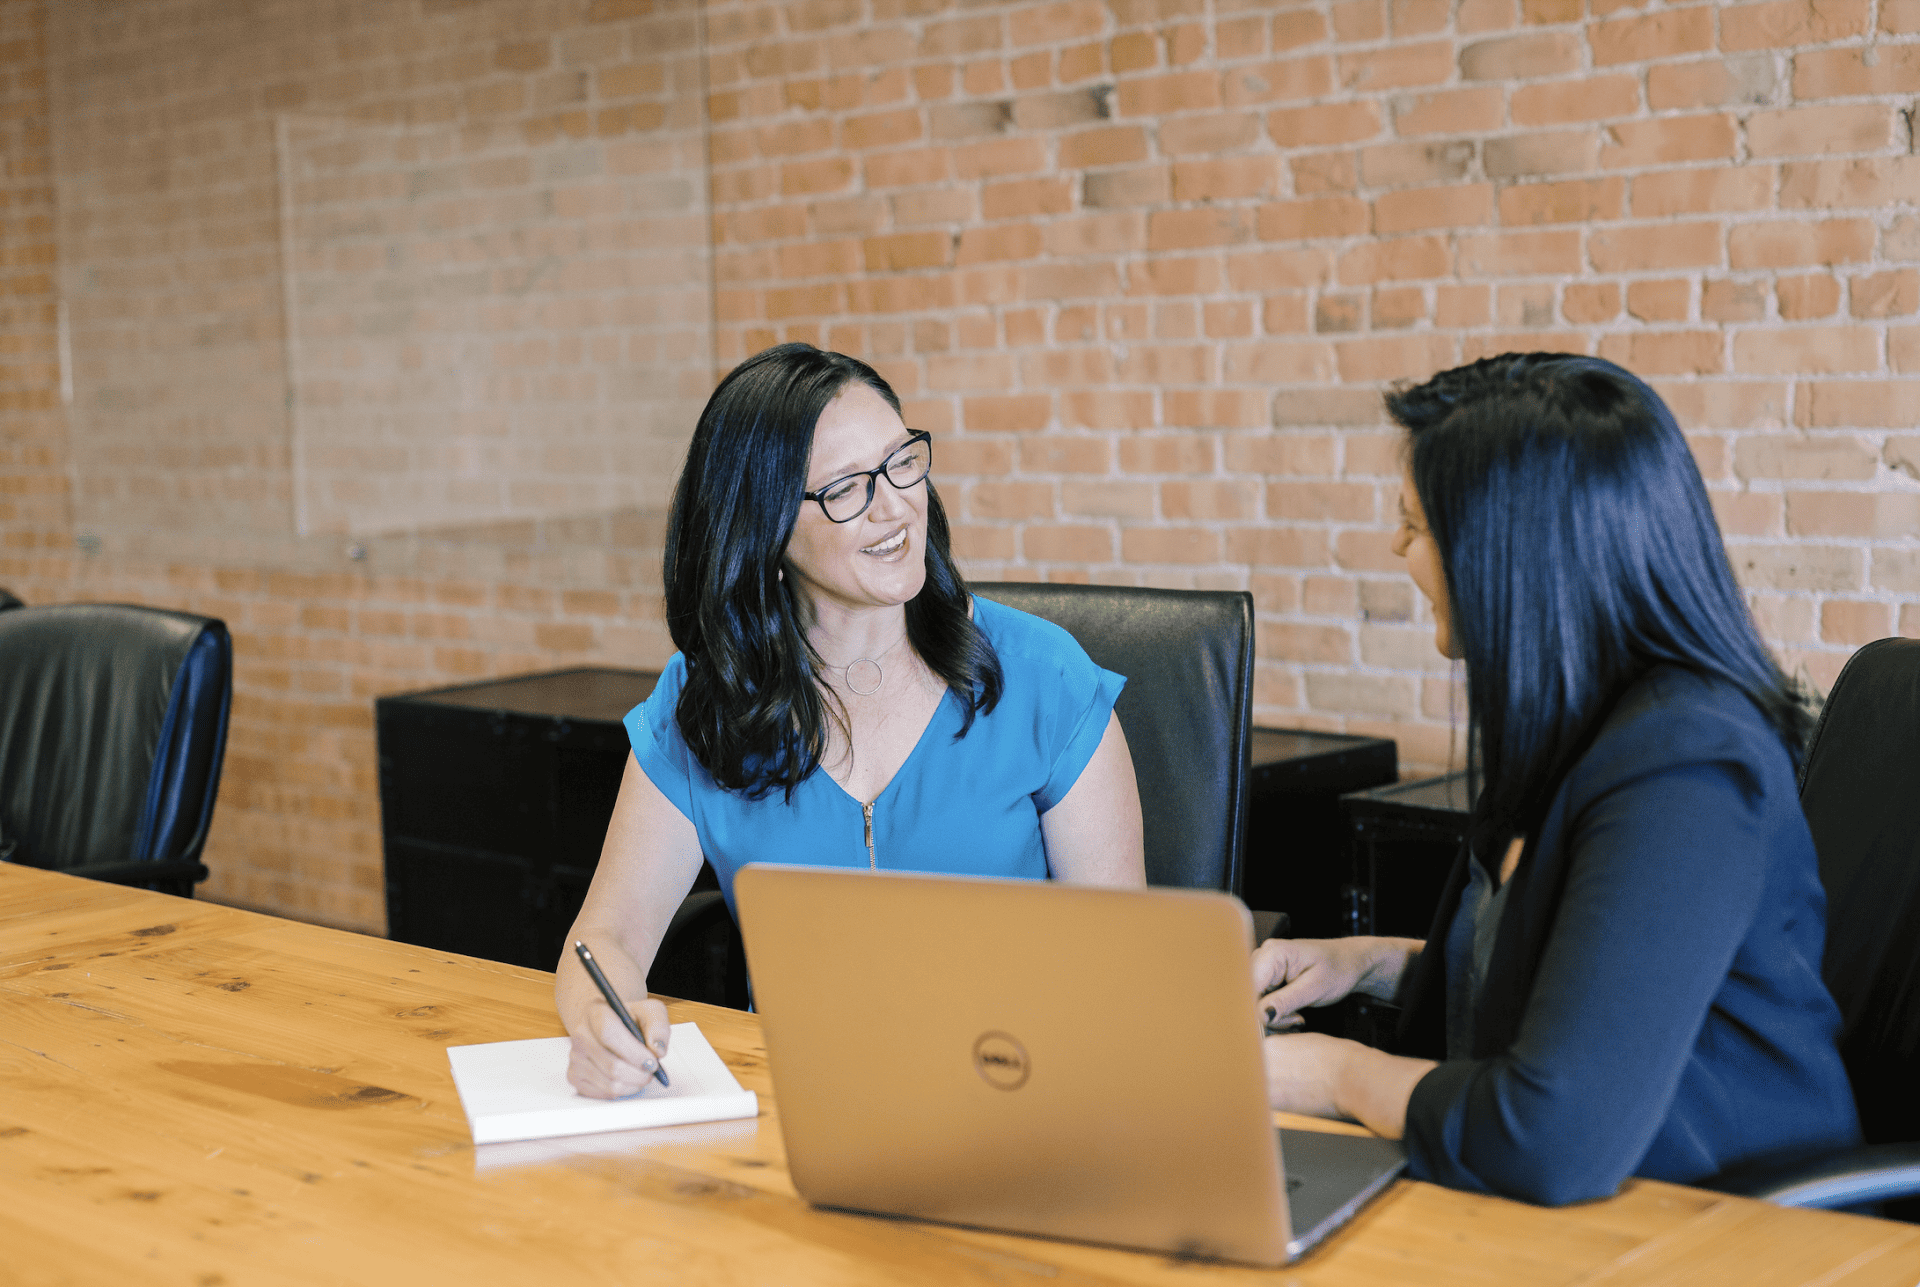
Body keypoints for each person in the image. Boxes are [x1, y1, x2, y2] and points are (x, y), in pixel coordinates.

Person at [1253, 353, 1861, 1204]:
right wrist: (1367, 962)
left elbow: (1549, 1133)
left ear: (1510, 555)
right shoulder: (1576, 727)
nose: (1396, 547)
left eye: (1415, 524)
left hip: (1722, 1221)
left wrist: (1333, 1074)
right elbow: (1579, 974)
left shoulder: (1688, 767)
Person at [559, 343, 1146, 1098]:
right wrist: (599, 1024)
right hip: (799, 1109)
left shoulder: (1044, 678)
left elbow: (1125, 965)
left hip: (1021, 1093)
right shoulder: (704, 705)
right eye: (846, 488)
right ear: (764, 527)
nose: (896, 503)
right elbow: (604, 936)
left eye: (903, 461)